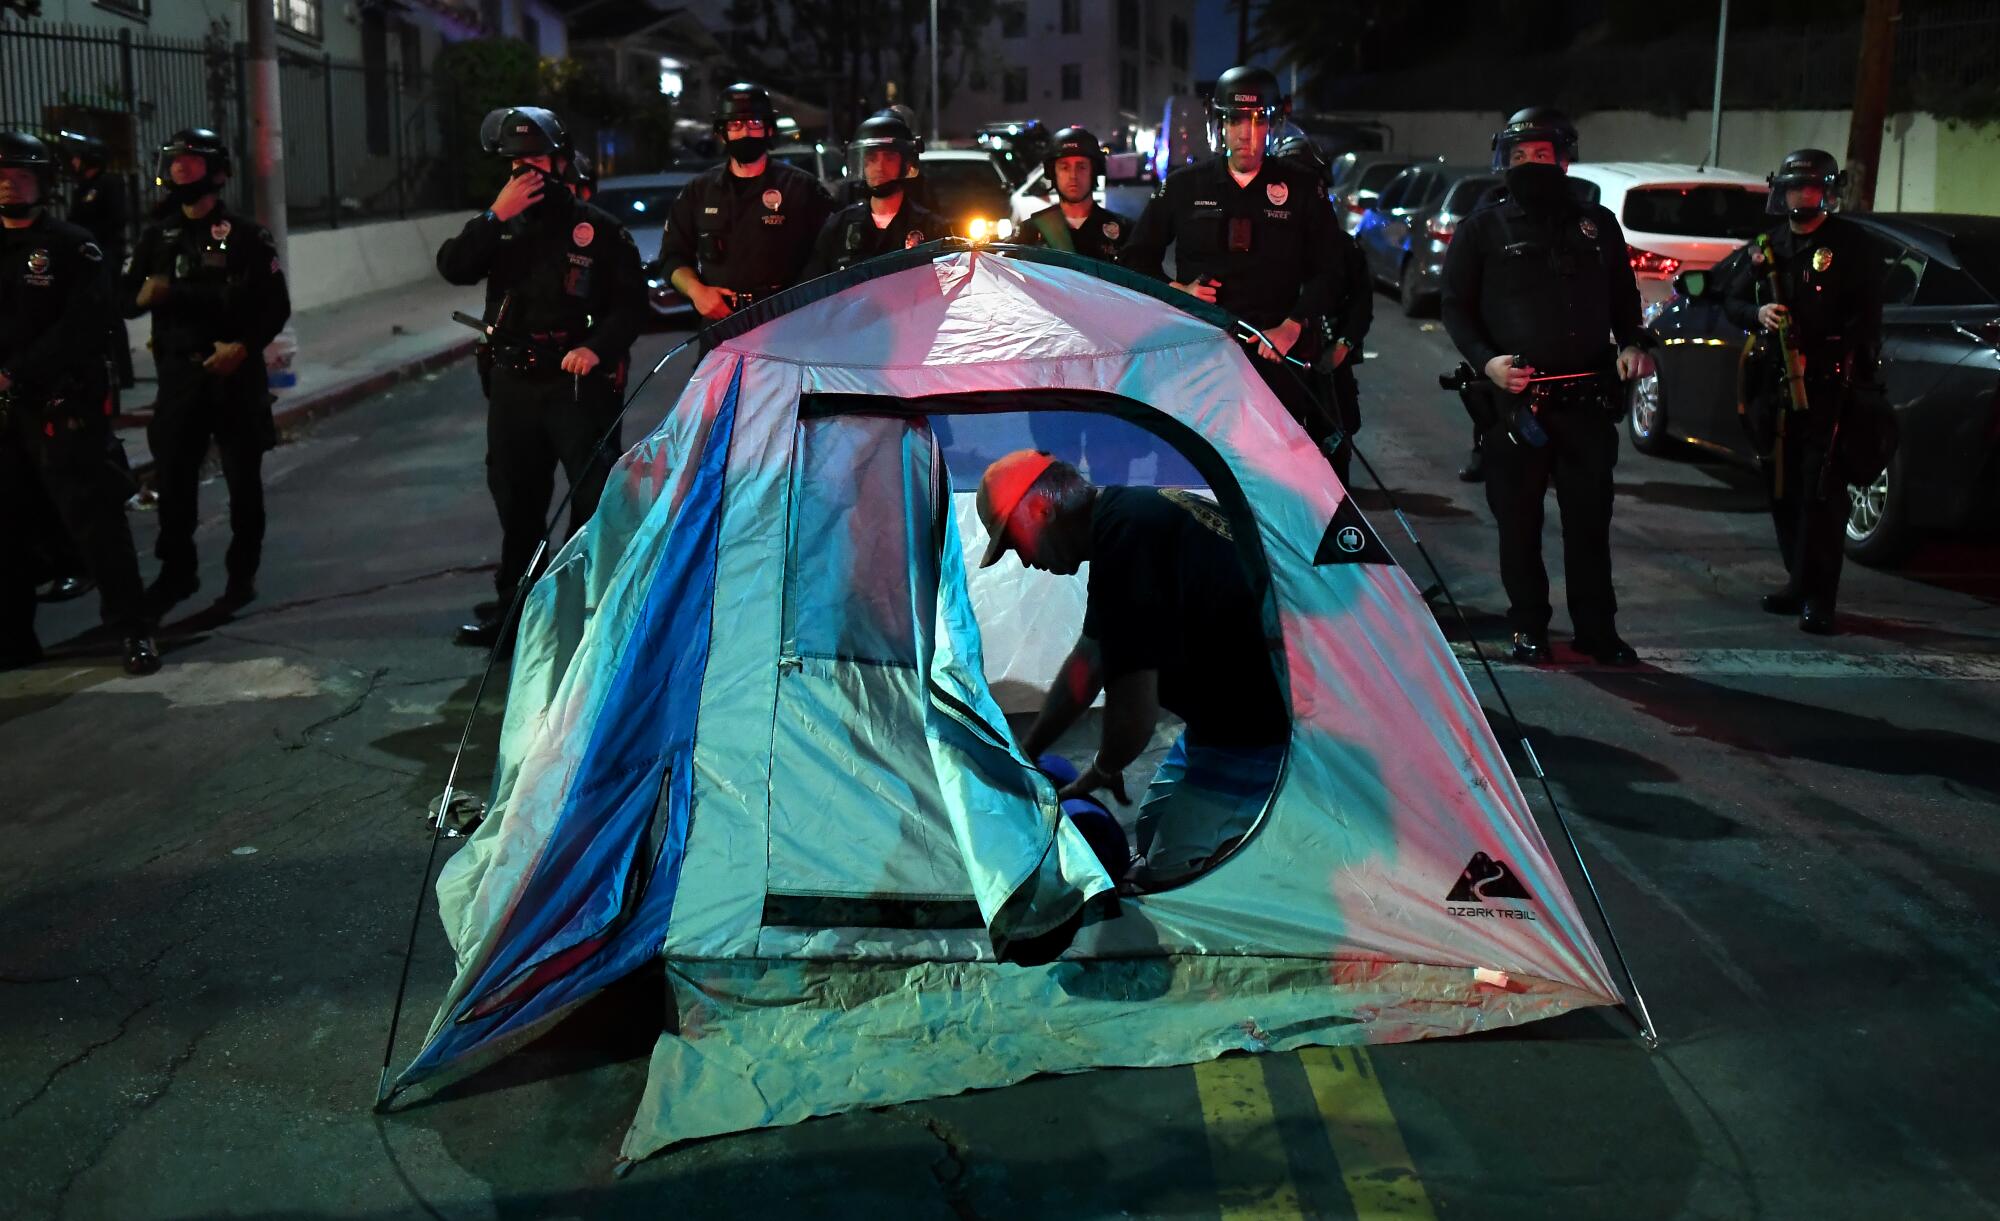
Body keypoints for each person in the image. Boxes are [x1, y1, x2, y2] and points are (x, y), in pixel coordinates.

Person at [977, 450, 1289, 887]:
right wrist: (1028, 756)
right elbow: (1088, 664)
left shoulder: (1128, 535)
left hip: (1258, 736)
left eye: (1014, 541)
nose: (1023, 560)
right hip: (1216, 725)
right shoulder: (1124, 517)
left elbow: (1134, 713)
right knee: (1146, 830)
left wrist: (1105, 766)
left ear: (1041, 510)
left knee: (1169, 879)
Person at [1440, 106, 1654, 666]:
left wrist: (1633, 343)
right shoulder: (1482, 228)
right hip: (1516, 406)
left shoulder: (1596, 224)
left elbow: (1623, 296)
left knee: (1590, 524)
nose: (1532, 165)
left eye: (1543, 155)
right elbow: (1455, 308)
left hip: (1585, 401)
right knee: (1519, 525)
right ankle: (1529, 626)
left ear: (1563, 159)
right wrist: (1487, 363)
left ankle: (1596, 630)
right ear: (1503, 162)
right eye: (1520, 157)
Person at [436, 106, 644, 652]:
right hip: (513, 384)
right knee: (517, 501)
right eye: (515, 162)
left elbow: (630, 308)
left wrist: (596, 349)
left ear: (559, 159)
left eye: (536, 159)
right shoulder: (500, 226)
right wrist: (492, 217)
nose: (526, 170)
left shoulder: (596, 229)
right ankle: (518, 612)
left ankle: (585, 615)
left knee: (590, 500)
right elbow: (454, 266)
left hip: (576, 385)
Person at [1119, 65, 1349, 459]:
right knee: (1195, 467)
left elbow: (1333, 270)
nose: (1246, 133)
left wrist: (1292, 326)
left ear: (1273, 126)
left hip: (1275, 360)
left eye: (1258, 121)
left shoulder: (1301, 188)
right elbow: (1135, 260)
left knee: (1274, 468)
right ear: (1220, 125)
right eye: (1236, 120)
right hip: (1197, 360)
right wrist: (1178, 291)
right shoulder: (1183, 186)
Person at [0, 131, 160, 675]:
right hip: (5, 413)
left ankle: (133, 630)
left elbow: (86, 324)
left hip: (60, 405)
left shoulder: (73, 245)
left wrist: (16, 372)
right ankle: (15, 640)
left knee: (96, 523)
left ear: (43, 183)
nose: (8, 184)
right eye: (0, 175)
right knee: (10, 527)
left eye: (20, 175)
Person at [125, 128, 291, 615]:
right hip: (180, 376)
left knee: (244, 484)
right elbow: (127, 298)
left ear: (217, 171)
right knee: (174, 480)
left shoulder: (245, 236)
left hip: (234, 375)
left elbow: (274, 305)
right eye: (175, 160)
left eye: (191, 161)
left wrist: (244, 346)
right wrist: (140, 297)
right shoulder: (157, 236)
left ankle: (242, 575)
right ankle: (177, 572)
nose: (180, 168)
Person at [1721, 149, 1883, 635]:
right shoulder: (1768, 246)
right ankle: (1796, 581)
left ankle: (1820, 597)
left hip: (1827, 388)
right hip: (1776, 387)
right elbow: (1727, 298)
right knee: (1782, 489)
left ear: (1826, 192)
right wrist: (1758, 315)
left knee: (1821, 493)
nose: (1803, 196)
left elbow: (1867, 316)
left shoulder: (1848, 245)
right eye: (1795, 188)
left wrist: (1828, 350)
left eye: (1812, 188)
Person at [657, 83, 834, 323]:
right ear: (722, 132)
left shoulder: (802, 188)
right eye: (735, 125)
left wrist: (798, 300)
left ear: (769, 130)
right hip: (721, 326)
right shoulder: (699, 192)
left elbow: (828, 255)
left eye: (754, 124)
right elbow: (672, 258)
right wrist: (697, 291)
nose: (745, 133)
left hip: (787, 323)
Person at [1273, 132, 1372, 486]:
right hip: (1275, 371)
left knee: (1334, 456)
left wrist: (1343, 345)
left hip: (1328, 371)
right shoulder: (1259, 245)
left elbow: (1361, 303)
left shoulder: (1342, 247)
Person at [802, 111, 947, 279]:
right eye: (871, 158)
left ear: (905, 163)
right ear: (861, 164)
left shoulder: (932, 228)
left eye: (889, 157)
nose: (879, 167)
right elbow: (812, 293)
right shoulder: (838, 228)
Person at [57, 130, 133, 392]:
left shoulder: (109, 183)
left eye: (78, 158)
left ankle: (122, 372)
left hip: (106, 254)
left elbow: (115, 219)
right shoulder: (83, 188)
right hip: (86, 256)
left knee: (110, 310)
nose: (74, 162)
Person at [1017, 126, 1131, 261]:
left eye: (1081, 167)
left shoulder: (1124, 232)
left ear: (1094, 171)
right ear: (1053, 173)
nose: (1073, 176)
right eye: (1064, 167)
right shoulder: (1031, 232)